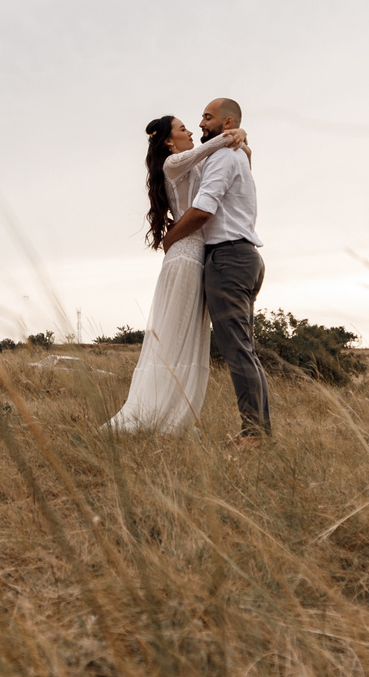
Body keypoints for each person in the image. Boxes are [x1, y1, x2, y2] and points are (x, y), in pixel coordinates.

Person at [103, 111, 250, 434]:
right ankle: (157, 416)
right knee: (174, 338)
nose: (190, 132)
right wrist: (234, 133)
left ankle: (177, 417)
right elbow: (207, 150)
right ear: (169, 141)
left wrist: (242, 140)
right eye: (183, 129)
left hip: (196, 253)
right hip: (185, 255)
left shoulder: (191, 165)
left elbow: (227, 167)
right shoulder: (174, 164)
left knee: (191, 338)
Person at [154, 98, 270, 440]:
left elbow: (203, 210)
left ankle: (254, 434)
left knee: (237, 350)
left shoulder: (222, 156)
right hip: (244, 257)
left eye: (207, 117)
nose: (200, 123)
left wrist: (169, 239)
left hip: (228, 259)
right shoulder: (232, 154)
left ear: (227, 121)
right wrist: (242, 138)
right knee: (244, 349)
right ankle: (258, 431)